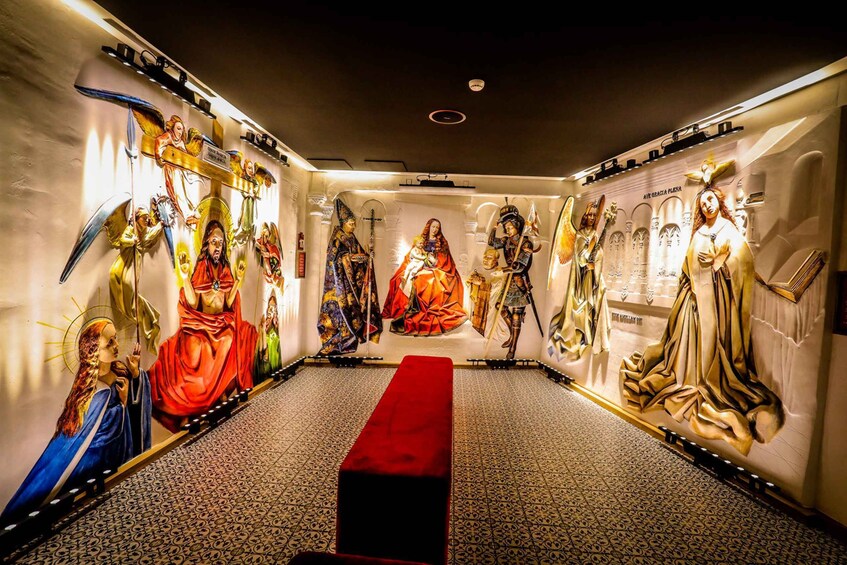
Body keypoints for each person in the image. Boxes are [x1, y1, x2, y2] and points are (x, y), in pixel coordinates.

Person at [620, 186, 784, 455]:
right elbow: (687, 267)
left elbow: (744, 264)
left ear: (719, 201)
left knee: (713, 351)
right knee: (685, 351)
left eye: (710, 199)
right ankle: (692, 380)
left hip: (718, 306)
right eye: (702, 202)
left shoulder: (729, 231)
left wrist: (720, 261)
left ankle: (712, 385)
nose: (707, 205)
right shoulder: (698, 234)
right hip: (694, 303)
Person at [1, 319, 150, 523]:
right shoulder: (93, 392)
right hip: (99, 467)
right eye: (109, 342)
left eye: (115, 339)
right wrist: (121, 406)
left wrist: (136, 374)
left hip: (119, 470)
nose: (116, 345)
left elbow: (133, 408)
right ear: (93, 351)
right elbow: (100, 437)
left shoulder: (120, 371)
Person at [148, 220, 258, 432]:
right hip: (200, 324)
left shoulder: (225, 270)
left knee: (228, 339)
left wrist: (238, 280)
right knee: (197, 348)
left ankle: (216, 396)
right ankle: (195, 404)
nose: (217, 246)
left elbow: (228, 303)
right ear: (206, 243)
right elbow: (192, 303)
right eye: (214, 241)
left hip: (220, 325)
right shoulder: (201, 269)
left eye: (221, 243)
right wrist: (184, 277)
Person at [548, 197, 611, 359]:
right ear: (585, 216)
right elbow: (579, 256)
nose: (591, 218)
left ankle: (587, 336)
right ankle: (579, 333)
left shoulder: (595, 234)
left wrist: (595, 262)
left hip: (591, 277)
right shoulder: (580, 235)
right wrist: (586, 259)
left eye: (594, 216)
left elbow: (599, 254)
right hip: (580, 279)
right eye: (589, 215)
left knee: (594, 301)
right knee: (581, 306)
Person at [317, 199, 382, 354]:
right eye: (351, 223)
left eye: (354, 223)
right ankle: (338, 342)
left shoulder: (352, 238)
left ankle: (351, 338)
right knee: (341, 313)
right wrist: (349, 258)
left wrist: (367, 256)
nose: (354, 226)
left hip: (352, 282)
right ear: (344, 223)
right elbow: (333, 259)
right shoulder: (337, 238)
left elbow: (360, 254)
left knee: (356, 310)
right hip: (340, 283)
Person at [382, 218, 467, 336]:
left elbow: (445, 260)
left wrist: (435, 262)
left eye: (437, 227)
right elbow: (412, 254)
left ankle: (421, 308)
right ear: (429, 227)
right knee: (407, 278)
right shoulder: (422, 240)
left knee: (428, 279)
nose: (435, 229)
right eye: (433, 227)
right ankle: (413, 308)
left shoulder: (442, 242)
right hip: (421, 265)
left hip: (435, 268)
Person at [109, 205, 164, 354]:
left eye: (147, 218)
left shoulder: (144, 232)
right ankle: (133, 311)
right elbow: (122, 239)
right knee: (125, 283)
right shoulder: (131, 229)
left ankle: (137, 313)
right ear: (137, 218)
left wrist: (160, 224)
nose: (146, 220)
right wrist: (131, 240)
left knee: (132, 288)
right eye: (144, 218)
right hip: (124, 262)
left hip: (135, 262)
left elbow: (151, 234)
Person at [488, 205, 539, 359]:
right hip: (509, 281)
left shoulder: (525, 244)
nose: (508, 230)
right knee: (500, 306)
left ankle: (513, 347)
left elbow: (520, 266)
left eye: (510, 227)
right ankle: (512, 334)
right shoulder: (506, 240)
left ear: (517, 226)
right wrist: (494, 227)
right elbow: (492, 242)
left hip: (520, 281)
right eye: (506, 228)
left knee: (517, 315)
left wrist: (503, 270)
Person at [154, 115, 199, 227]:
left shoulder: (181, 142)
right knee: (178, 191)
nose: (180, 132)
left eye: (182, 130)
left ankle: (193, 210)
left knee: (189, 188)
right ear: (172, 128)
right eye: (178, 128)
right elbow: (159, 141)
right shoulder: (168, 136)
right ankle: (187, 215)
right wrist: (159, 156)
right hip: (172, 170)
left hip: (181, 169)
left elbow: (185, 156)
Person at [254, 293, 281, 384]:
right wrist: (263, 327)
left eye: (273, 306)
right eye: (270, 306)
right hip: (266, 338)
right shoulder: (267, 319)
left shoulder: (275, 320)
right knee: (263, 335)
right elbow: (264, 328)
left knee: (270, 339)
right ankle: (262, 355)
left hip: (273, 339)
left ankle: (266, 355)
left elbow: (275, 330)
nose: (271, 308)